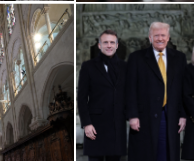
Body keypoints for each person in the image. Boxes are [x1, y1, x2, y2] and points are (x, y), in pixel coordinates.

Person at [126, 22, 187, 160]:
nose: (160, 38)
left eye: (163, 35)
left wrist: (183, 115)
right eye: (156, 35)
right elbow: (130, 89)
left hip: (170, 115)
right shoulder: (136, 58)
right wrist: (132, 115)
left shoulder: (179, 58)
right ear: (150, 38)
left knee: (167, 154)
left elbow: (183, 89)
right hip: (144, 116)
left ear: (168, 37)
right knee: (146, 155)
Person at [78, 29, 127, 160]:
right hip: (95, 125)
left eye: (112, 42)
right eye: (105, 42)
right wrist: (86, 123)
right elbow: (81, 97)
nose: (109, 45)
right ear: (99, 45)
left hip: (117, 125)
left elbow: (130, 94)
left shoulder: (125, 67)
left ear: (117, 45)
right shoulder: (88, 66)